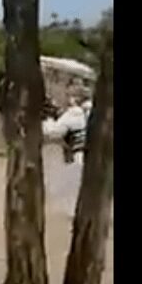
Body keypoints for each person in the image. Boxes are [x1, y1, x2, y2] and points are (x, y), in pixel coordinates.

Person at [42, 85, 91, 218]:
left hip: (77, 156)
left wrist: (48, 119)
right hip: (88, 157)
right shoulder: (89, 112)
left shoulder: (74, 113)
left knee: (67, 190)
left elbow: (53, 132)